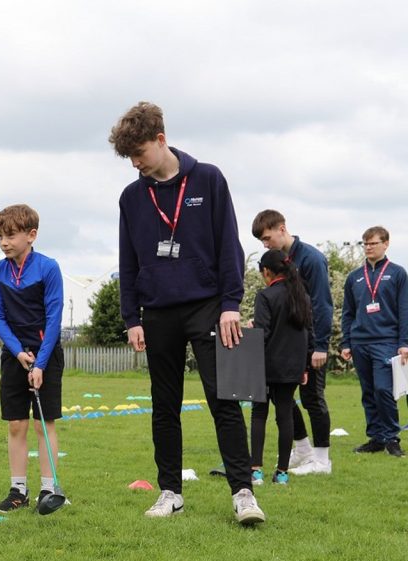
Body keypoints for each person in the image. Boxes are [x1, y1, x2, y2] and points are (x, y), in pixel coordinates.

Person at [109, 102, 264, 525]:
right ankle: (170, 491)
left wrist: (231, 305)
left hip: (209, 307)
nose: (136, 164)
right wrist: (131, 318)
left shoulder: (208, 179)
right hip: (157, 312)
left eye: (139, 153)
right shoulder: (131, 197)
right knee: (164, 405)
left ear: (161, 140)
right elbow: (127, 261)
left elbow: (229, 246)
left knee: (224, 400)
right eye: (129, 158)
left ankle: (243, 492)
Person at [0, 204, 65, 512]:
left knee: (43, 425)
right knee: (17, 424)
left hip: (46, 352)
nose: (4, 242)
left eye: (10, 235)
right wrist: (18, 351)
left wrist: (41, 363)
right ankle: (17, 490)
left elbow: (54, 317)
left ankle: (49, 490)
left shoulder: (48, 267)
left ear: (31, 235)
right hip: (14, 354)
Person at [251, 210, 333, 475]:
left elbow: (321, 304)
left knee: (312, 399)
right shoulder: (279, 262)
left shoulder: (312, 259)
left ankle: (322, 459)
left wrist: (320, 346)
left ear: (282, 229)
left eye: (266, 238)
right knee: (284, 401)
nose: (265, 244)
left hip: (309, 343)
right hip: (287, 345)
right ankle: (302, 449)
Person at [341, 226, 408, 457]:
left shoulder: (398, 273)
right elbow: (347, 312)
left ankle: (392, 438)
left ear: (386, 244)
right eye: (365, 244)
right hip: (360, 342)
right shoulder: (354, 277)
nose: (368, 247)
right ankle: (376, 438)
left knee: (383, 390)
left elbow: (404, 310)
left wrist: (404, 342)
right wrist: (346, 342)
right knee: (368, 392)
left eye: (373, 243)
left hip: (386, 341)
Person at [249, 250, 313, 486]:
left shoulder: (265, 296)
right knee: (285, 416)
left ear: (267, 272)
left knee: (259, 413)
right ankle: (282, 473)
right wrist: (304, 367)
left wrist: (252, 326)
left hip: (266, 365)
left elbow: (262, 334)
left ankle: (255, 471)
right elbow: (309, 334)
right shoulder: (302, 296)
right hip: (293, 367)